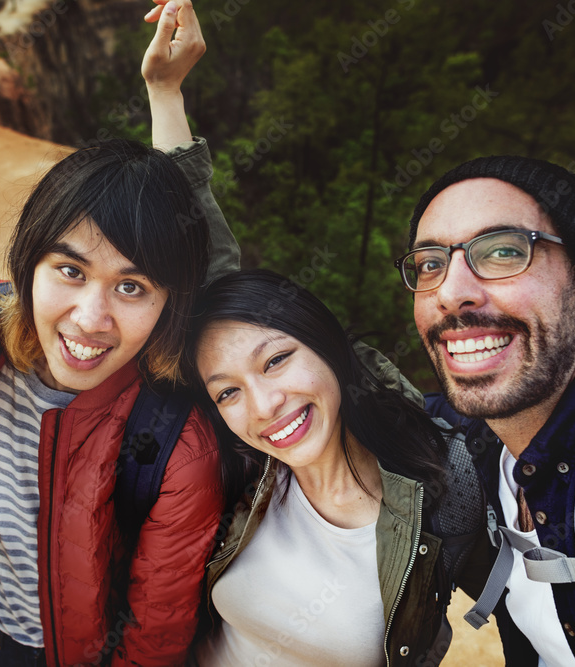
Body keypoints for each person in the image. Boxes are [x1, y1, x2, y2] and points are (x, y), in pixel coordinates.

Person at [0, 3, 237, 665]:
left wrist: (166, 93)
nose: (91, 318)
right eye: (70, 270)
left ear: (168, 303)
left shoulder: (171, 448)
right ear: (26, 265)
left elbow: (155, 636)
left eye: (133, 286)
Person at [397, 156, 575, 665]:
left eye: (502, 251)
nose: (451, 293)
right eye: (432, 262)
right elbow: (294, 375)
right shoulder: (476, 439)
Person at [186, 268, 481, 666]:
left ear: (325, 343)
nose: (263, 406)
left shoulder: (443, 493)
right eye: (228, 392)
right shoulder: (232, 478)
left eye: (274, 361)